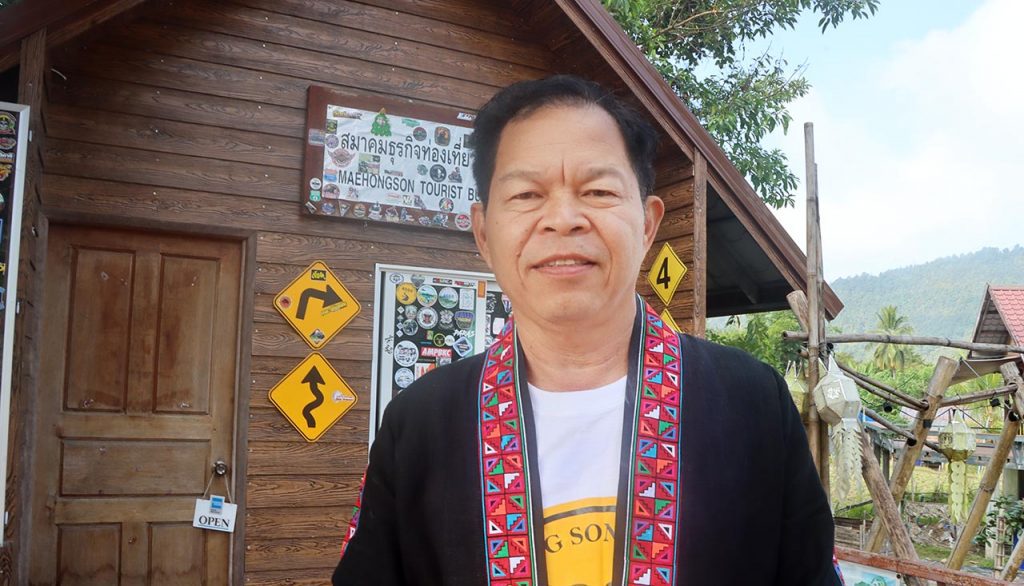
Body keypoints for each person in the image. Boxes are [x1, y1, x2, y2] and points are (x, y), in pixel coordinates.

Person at [333, 75, 842, 586]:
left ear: (647, 224)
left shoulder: (751, 404)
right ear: (484, 233)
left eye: (598, 191)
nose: (563, 219)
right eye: (527, 194)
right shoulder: (419, 425)